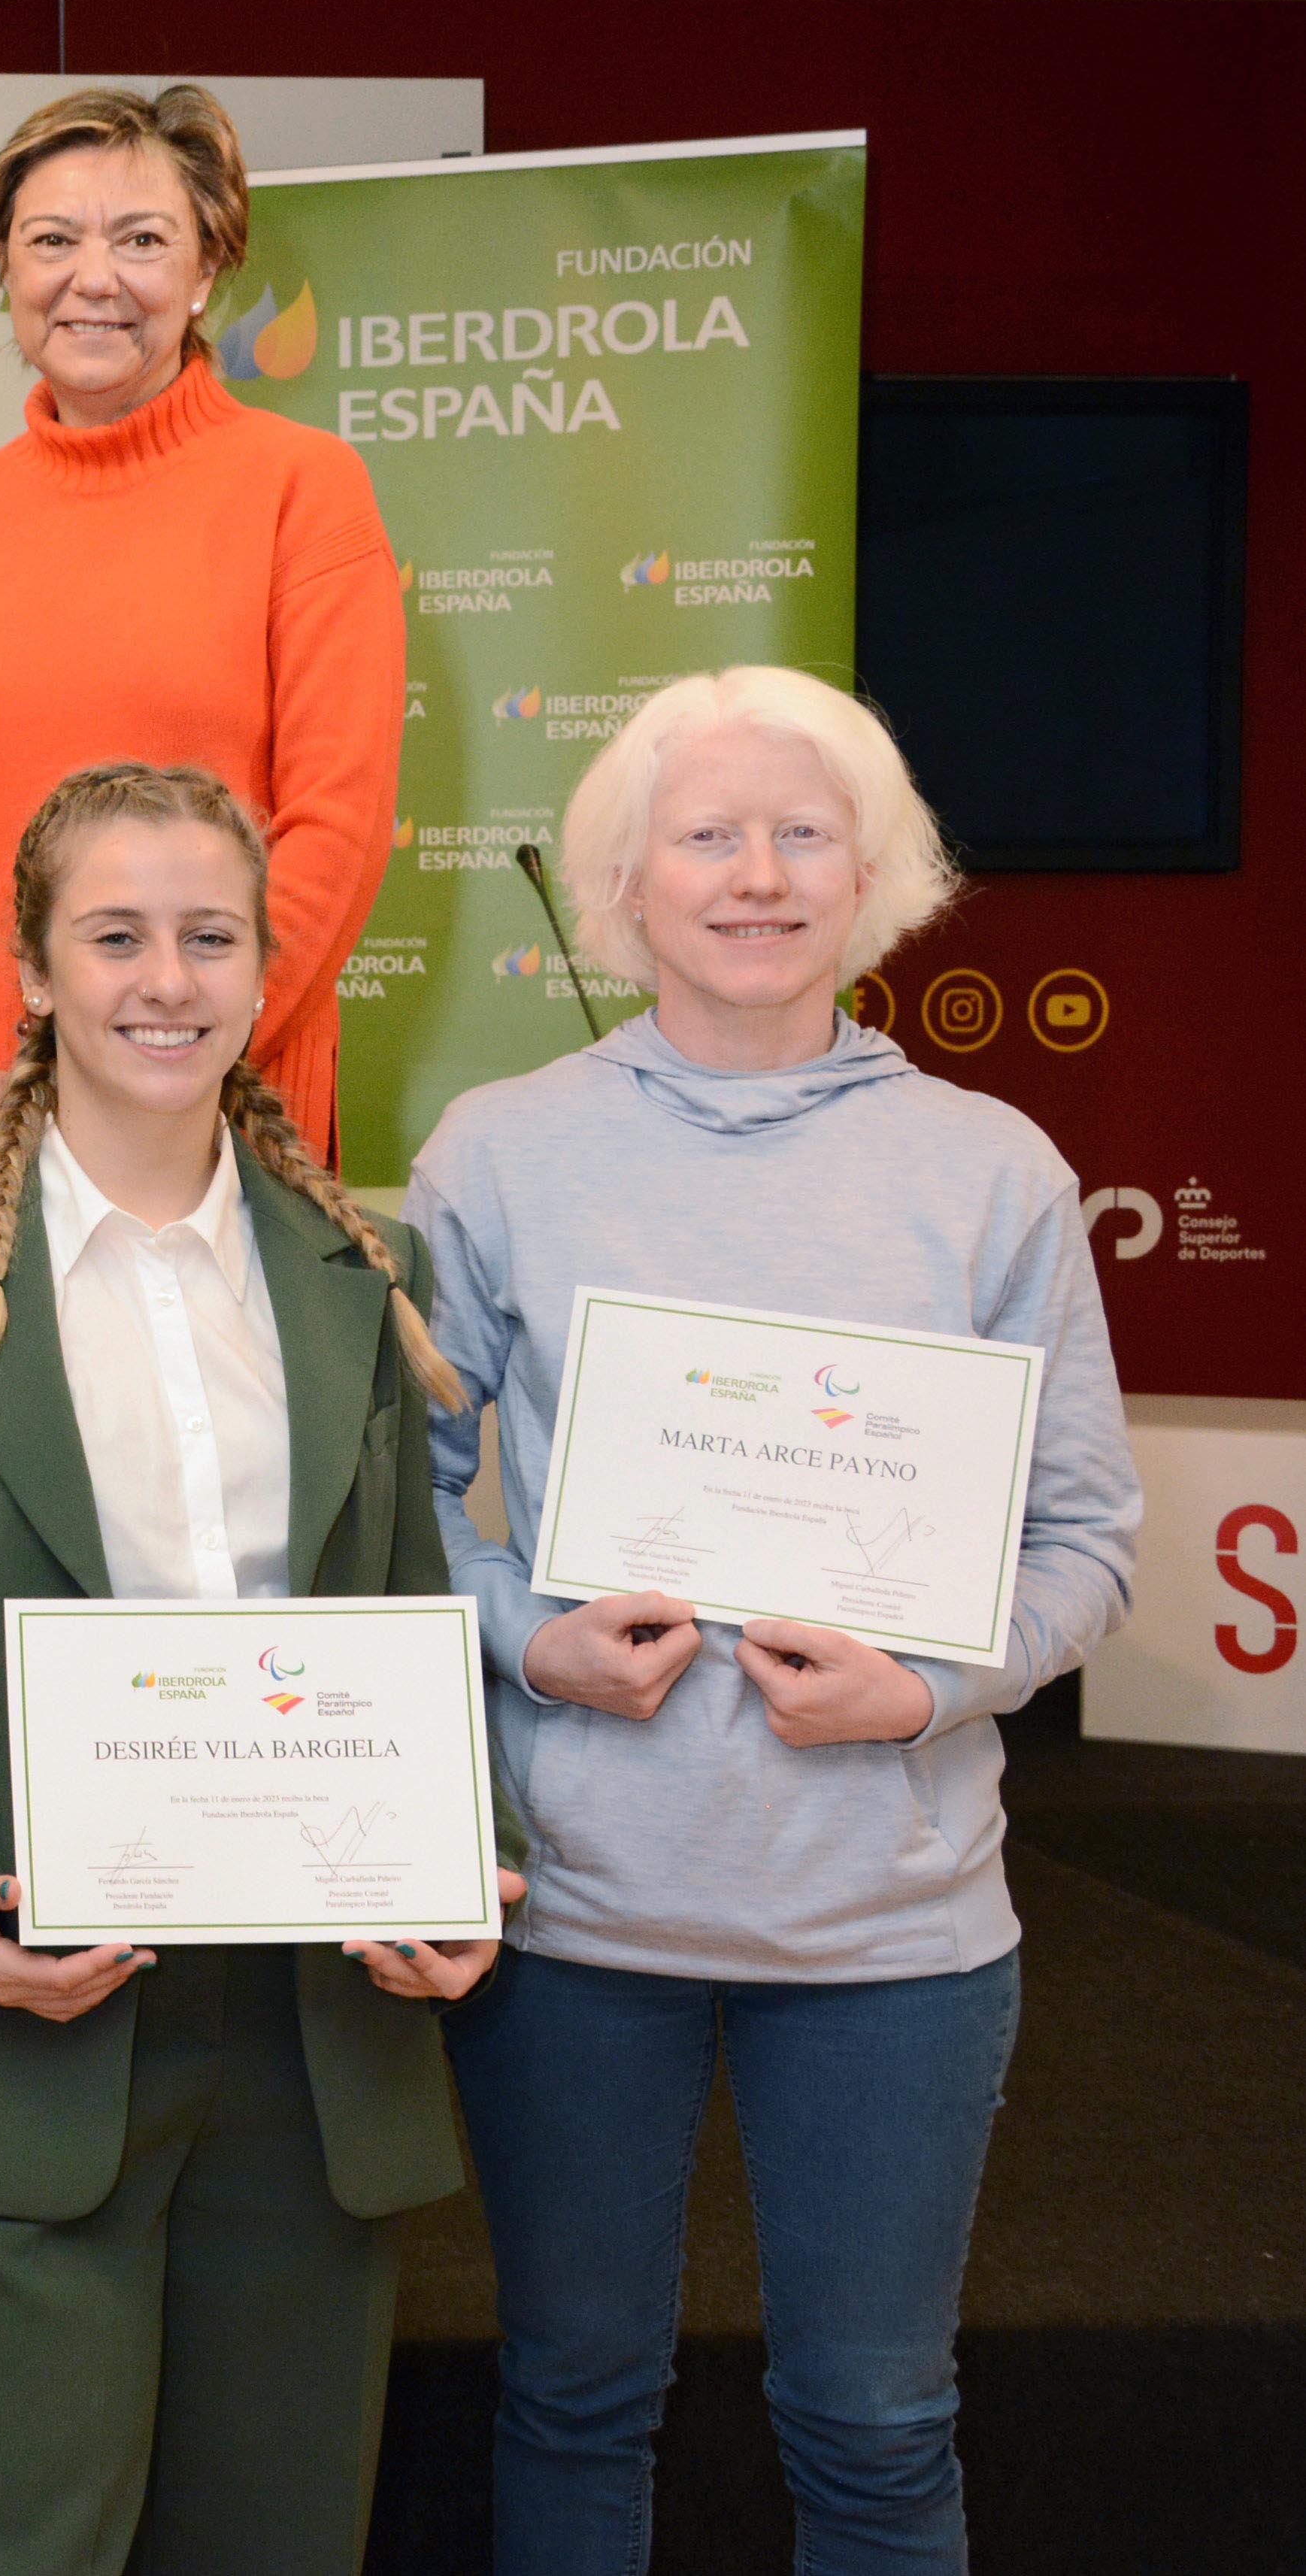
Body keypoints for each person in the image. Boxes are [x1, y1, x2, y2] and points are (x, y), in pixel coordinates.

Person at [0, 761, 511, 2576]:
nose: (168, 978)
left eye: (210, 936)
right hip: (27, 2008)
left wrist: (466, 1856)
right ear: (35, 965)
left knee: (283, 2545)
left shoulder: (345, 1261)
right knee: (34, 2551)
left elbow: (413, 1622)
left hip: (315, 2034)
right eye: (118, 934)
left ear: (266, 968)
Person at [401, 668, 1138, 2576]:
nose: (755, 873)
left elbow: (1086, 1540)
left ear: (878, 872)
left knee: (879, 2424)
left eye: (804, 832)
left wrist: (931, 1682)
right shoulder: (497, 1150)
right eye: (706, 833)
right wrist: (522, 1638)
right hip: (577, 1910)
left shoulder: (993, 1172)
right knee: (571, 2392)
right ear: (624, 881)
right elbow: (389, 1506)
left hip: (892, 1930)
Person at [0, 83, 404, 1170]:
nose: (94, 278)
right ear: (6, 268)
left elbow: (337, 824)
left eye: (142, 239)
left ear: (206, 270)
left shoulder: (303, 491)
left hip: (222, 1125)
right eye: (53, 240)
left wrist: (166, 1061)